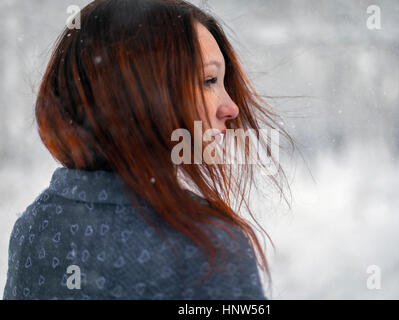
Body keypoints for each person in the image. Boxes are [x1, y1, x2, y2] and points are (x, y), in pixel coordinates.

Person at [3, 0, 291, 300]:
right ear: (138, 94)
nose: (230, 108)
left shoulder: (34, 228)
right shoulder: (207, 249)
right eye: (208, 81)